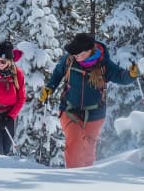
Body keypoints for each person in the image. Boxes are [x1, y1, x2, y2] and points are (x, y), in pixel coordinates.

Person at [37, 32, 138, 168]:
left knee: (88, 151)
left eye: (79, 53)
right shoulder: (69, 60)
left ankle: (86, 182)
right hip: (69, 109)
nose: (76, 56)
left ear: (90, 51)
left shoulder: (104, 64)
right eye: (74, 53)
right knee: (75, 143)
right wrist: (49, 88)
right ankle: (72, 179)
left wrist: (131, 75)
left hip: (95, 113)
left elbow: (120, 76)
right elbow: (58, 73)